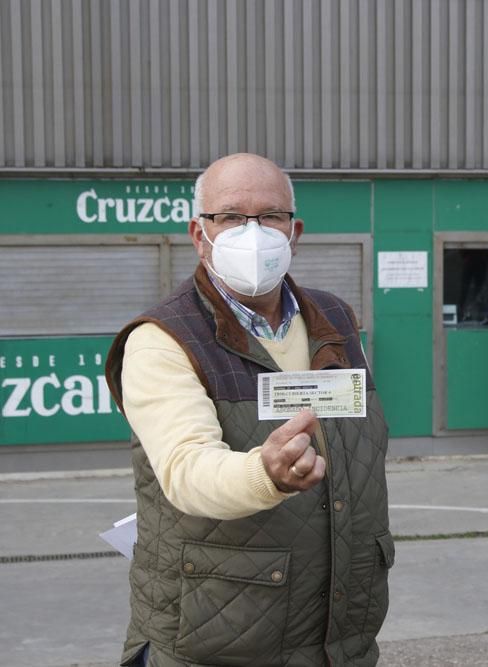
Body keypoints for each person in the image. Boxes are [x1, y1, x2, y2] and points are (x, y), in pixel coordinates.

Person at [104, 153, 393, 667]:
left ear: (294, 232)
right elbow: (186, 470)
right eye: (231, 216)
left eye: (270, 216)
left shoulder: (335, 317)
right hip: (216, 642)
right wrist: (266, 474)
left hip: (337, 641)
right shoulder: (161, 339)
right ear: (199, 233)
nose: (253, 231)